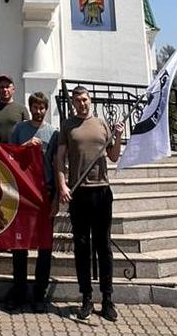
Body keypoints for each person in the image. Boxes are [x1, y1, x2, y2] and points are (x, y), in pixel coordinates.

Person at [55, 85, 124, 322]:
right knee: (82, 246)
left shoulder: (102, 124)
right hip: (79, 193)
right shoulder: (67, 126)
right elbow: (60, 158)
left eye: (84, 99)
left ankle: (107, 299)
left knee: (103, 246)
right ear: (73, 103)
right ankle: (86, 297)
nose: (81, 104)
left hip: (101, 191)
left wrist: (117, 137)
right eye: (77, 100)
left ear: (90, 100)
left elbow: (114, 156)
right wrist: (62, 185)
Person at [6, 92, 57, 313]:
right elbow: (8, 158)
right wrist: (24, 146)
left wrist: (56, 196)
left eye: (41, 107)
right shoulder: (19, 130)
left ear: (46, 109)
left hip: (45, 191)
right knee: (20, 245)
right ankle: (19, 291)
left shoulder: (53, 133)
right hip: (23, 192)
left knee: (44, 247)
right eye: (35, 107)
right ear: (30, 108)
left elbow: (57, 164)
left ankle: (39, 292)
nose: (38, 110)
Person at [0, 75, 29, 144]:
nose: (4, 90)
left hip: (15, 150)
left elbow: (27, 131)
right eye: (2, 87)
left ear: (13, 89)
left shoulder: (22, 109)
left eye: (7, 87)